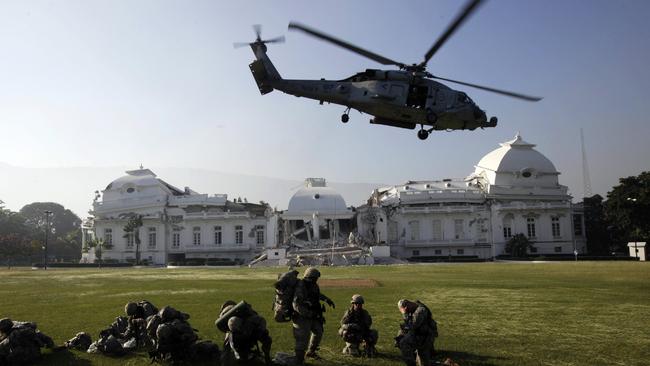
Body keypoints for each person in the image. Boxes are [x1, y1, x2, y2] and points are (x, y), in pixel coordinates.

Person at [291, 267, 335, 365]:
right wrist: (309, 314)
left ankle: (311, 352)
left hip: (313, 315)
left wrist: (327, 299)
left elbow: (317, 295)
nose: (316, 280)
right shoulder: (300, 287)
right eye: (314, 278)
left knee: (318, 332)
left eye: (316, 278)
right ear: (308, 277)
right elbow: (296, 305)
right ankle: (299, 360)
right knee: (302, 338)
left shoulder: (313, 285)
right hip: (301, 317)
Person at [218, 300, 272, 366]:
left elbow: (266, 340)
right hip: (242, 328)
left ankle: (245, 356)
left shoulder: (253, 322)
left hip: (245, 328)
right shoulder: (235, 326)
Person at [395, 299, 438, 366]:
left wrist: (404, 313)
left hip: (425, 336)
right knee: (401, 338)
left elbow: (412, 325)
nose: (408, 311)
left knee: (404, 343)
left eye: (407, 309)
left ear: (407, 305)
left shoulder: (420, 310)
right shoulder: (413, 308)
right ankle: (415, 354)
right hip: (420, 333)